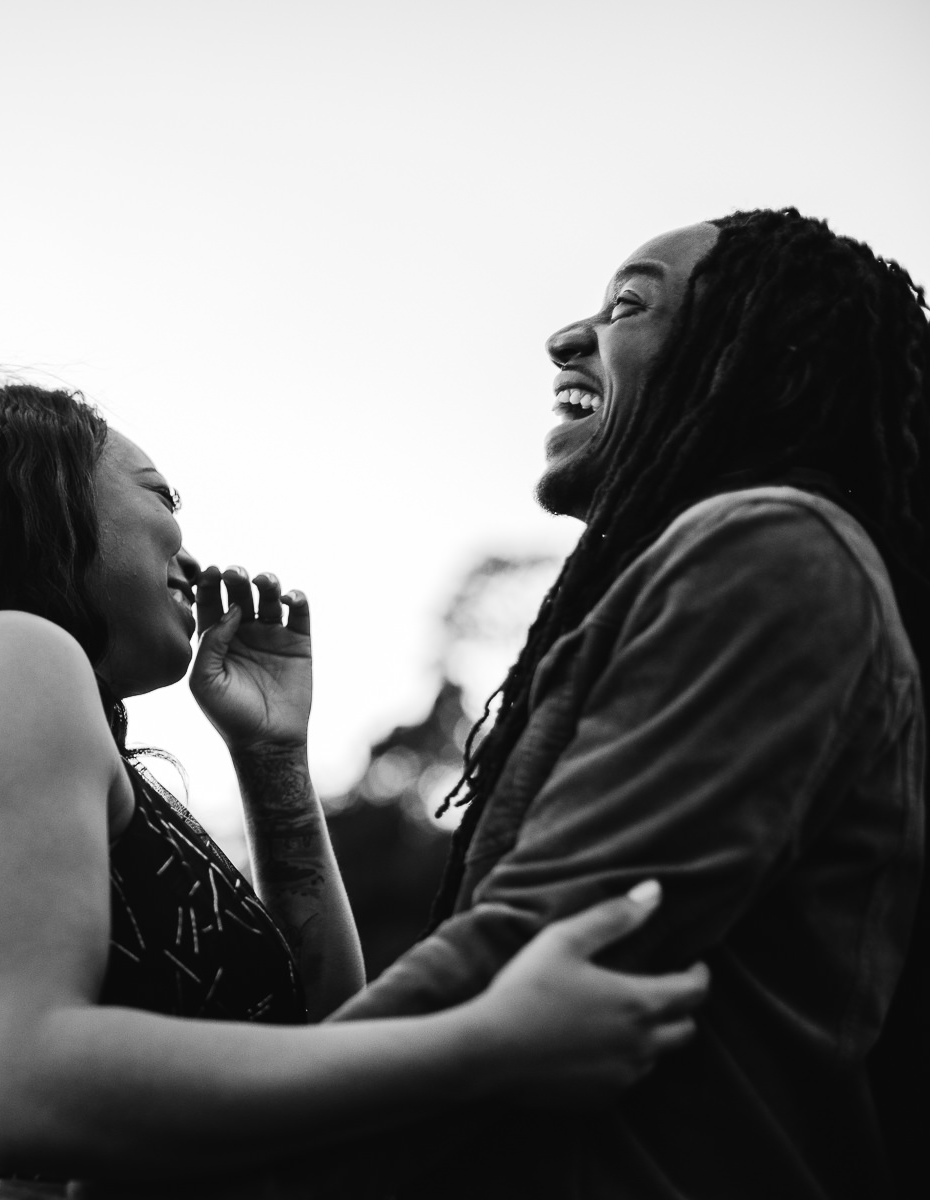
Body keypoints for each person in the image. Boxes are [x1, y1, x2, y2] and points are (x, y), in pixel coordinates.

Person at [0, 380, 709, 1197]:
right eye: (160, 496)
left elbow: (321, 1029)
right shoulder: (9, 660)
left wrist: (273, 760)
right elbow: (26, 1091)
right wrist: (486, 1045)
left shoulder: (26, 699)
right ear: (42, 498)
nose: (186, 547)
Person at [333, 208, 929, 1198]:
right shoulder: (746, 564)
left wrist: (170, 1161)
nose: (568, 337)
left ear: (756, 353)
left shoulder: (773, 553)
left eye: (627, 305)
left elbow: (531, 951)